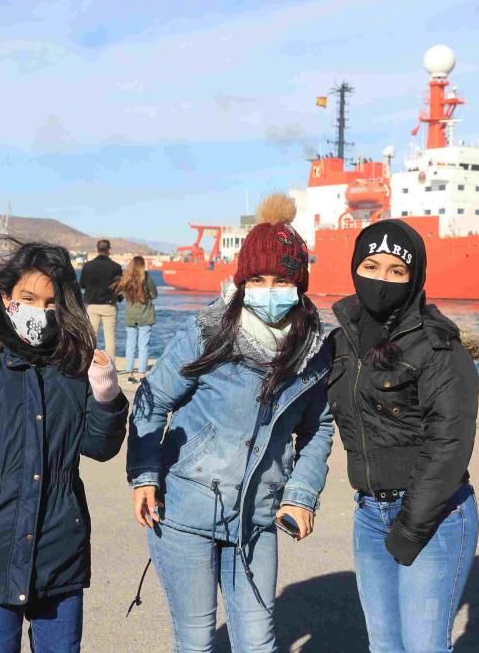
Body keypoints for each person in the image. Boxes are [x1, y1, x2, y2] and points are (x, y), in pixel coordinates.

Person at [126, 194, 334, 652]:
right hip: (184, 514)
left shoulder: (316, 351)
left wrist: (301, 496)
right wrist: (143, 476)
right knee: (197, 642)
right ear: (242, 280)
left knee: (258, 643)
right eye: (257, 278)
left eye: (281, 279)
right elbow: (152, 399)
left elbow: (318, 427)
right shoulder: (208, 332)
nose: (268, 288)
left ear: (299, 282)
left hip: (257, 520)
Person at [0, 240, 130, 653]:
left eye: (51, 303)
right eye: (28, 298)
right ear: (5, 296)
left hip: (58, 550)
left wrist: (106, 397)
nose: (39, 310)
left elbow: (98, 448)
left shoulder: (72, 364)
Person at [327, 220, 479, 653]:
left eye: (397, 271)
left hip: (435, 515)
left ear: (415, 279)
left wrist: (412, 526)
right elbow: (313, 415)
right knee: (384, 647)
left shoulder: (439, 348)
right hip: (368, 513)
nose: (382, 280)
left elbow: (449, 443)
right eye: (372, 266)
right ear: (355, 267)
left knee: (424, 647)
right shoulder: (341, 342)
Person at [112, 255, 158, 383]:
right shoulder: (146, 277)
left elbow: (120, 294)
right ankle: (142, 374)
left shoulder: (126, 278)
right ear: (142, 266)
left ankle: (130, 374)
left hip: (130, 315)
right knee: (144, 345)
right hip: (145, 315)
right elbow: (154, 294)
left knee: (130, 344)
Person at [80, 239, 122, 355]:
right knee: (110, 339)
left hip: (91, 305)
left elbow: (82, 284)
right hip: (109, 305)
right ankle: (111, 369)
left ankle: (88, 366)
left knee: (91, 337)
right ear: (109, 250)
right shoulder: (116, 267)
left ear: (97, 249)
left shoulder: (88, 266)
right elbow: (119, 288)